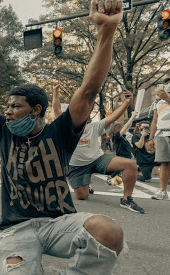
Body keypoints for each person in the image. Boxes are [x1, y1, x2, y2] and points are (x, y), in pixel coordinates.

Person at [0, 0, 127, 275]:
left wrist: (106, 32)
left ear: (35, 110)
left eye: (15, 106)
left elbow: (88, 89)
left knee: (109, 231)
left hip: (58, 225)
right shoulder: (3, 132)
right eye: (6, 106)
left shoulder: (60, 132)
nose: (6, 111)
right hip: (16, 230)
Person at [54, 81, 144, 212]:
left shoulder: (94, 127)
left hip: (97, 160)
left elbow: (113, 117)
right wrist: (55, 91)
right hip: (77, 167)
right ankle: (85, 182)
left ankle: (126, 200)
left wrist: (126, 103)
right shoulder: (65, 127)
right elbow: (56, 110)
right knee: (82, 196)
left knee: (130, 164)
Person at [149, 79, 170, 200]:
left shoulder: (168, 99)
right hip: (162, 133)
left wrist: (168, 99)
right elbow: (154, 121)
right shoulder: (157, 102)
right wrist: (150, 138)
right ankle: (162, 191)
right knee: (165, 162)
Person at [106, 111, 139, 185]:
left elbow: (128, 126)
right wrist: (132, 116)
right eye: (122, 128)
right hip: (122, 156)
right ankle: (111, 177)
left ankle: (114, 178)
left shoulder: (123, 136)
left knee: (123, 168)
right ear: (118, 129)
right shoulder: (116, 137)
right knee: (123, 168)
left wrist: (132, 119)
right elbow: (126, 126)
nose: (125, 129)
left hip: (127, 156)